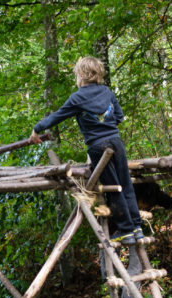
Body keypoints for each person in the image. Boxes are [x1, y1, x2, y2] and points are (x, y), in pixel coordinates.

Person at [29, 56, 143, 244]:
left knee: (113, 187)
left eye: (76, 75)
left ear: (82, 75)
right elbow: (120, 117)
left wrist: (37, 128)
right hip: (116, 142)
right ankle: (137, 228)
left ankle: (126, 230)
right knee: (125, 183)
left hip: (98, 146)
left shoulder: (77, 97)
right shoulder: (107, 92)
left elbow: (57, 116)